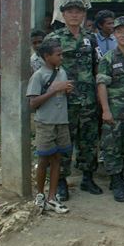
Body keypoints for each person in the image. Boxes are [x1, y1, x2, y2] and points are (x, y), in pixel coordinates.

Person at [45, 0, 102, 201]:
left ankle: (87, 177)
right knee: (64, 141)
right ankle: (61, 181)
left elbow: (97, 66)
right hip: (64, 100)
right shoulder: (54, 38)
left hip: (87, 100)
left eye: (79, 12)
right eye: (70, 12)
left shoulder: (91, 38)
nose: (75, 15)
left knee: (88, 141)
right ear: (63, 15)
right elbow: (45, 67)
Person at [96, 17, 124, 203]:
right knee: (112, 148)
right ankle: (115, 182)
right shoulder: (109, 58)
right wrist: (106, 110)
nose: (123, 34)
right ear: (114, 34)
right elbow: (102, 85)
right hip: (115, 113)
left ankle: (120, 178)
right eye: (119, 31)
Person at [26, 39, 72, 214]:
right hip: (46, 123)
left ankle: (52, 197)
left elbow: (62, 95)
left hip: (61, 121)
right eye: (58, 54)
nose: (62, 57)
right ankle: (40, 195)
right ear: (47, 56)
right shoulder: (38, 75)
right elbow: (33, 103)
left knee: (57, 159)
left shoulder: (62, 72)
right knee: (43, 159)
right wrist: (54, 90)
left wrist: (66, 90)